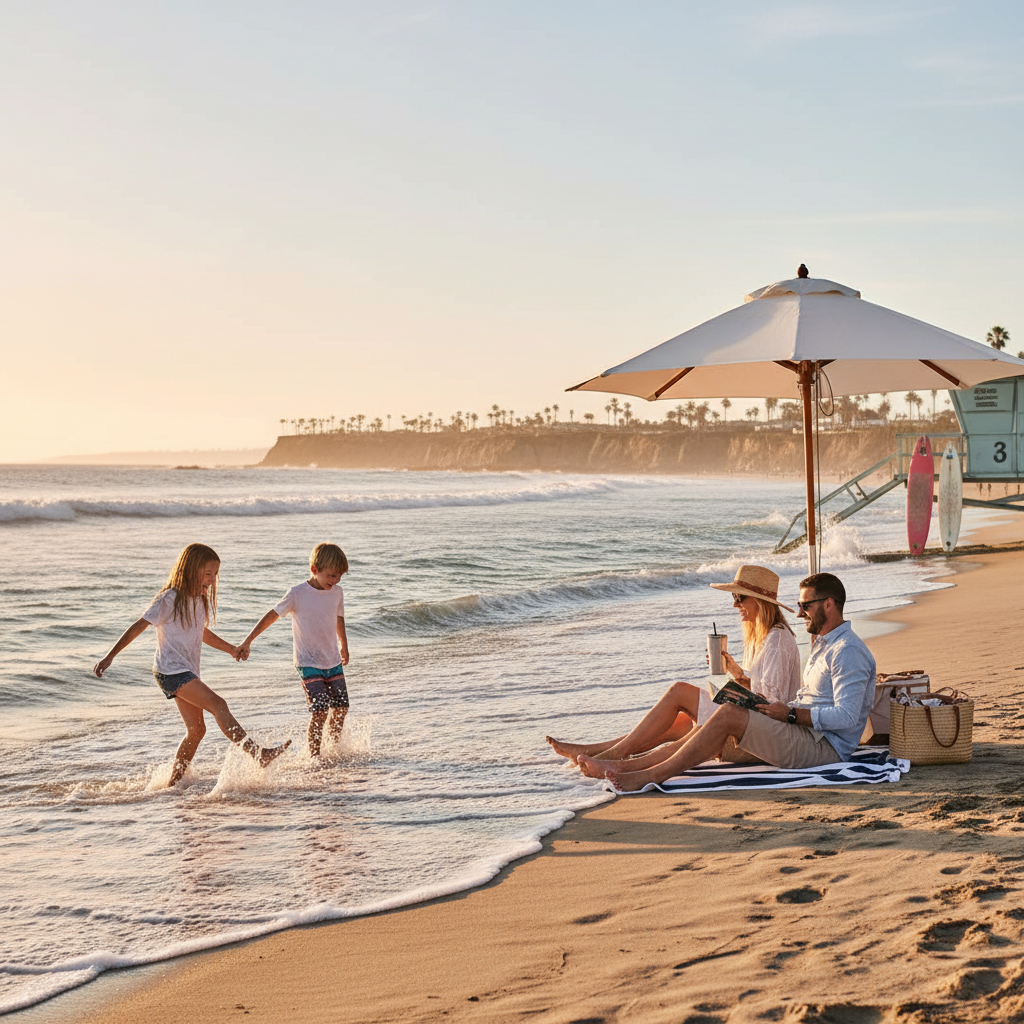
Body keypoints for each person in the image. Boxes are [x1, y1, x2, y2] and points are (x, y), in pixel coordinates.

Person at [577, 572, 876, 791]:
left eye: (805, 606)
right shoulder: (823, 644)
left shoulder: (847, 651)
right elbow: (810, 698)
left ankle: (649, 775)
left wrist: (790, 713)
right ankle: (624, 766)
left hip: (825, 747)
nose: (798, 612)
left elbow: (847, 717)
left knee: (725, 716)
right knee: (710, 722)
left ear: (829, 605)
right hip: (803, 730)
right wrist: (785, 709)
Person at [546, 565, 801, 765]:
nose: (735, 604)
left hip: (766, 732)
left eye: (740, 597)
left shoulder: (777, 639)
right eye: (734, 597)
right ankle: (599, 750)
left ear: (760, 601)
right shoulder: (764, 635)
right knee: (679, 721)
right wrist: (734, 671)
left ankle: (615, 753)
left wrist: (730, 696)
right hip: (755, 721)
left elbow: (772, 704)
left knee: (680, 691)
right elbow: (759, 688)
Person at [93, 543, 291, 786]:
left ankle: (171, 785)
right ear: (190, 570)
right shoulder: (169, 598)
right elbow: (139, 626)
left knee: (197, 731)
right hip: (171, 671)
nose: (212, 579)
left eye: (215, 574)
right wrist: (110, 656)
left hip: (183, 671)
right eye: (208, 573)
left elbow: (201, 633)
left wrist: (231, 649)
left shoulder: (199, 599)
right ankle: (258, 755)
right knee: (219, 705)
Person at [238, 542, 350, 758]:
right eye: (331, 575)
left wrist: (344, 644)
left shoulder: (337, 593)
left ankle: (333, 752)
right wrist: (248, 640)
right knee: (319, 711)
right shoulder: (297, 594)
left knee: (341, 708)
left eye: (339, 577)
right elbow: (272, 615)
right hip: (307, 663)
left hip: (332, 659)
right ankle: (315, 757)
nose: (335, 581)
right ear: (314, 570)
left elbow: (339, 618)